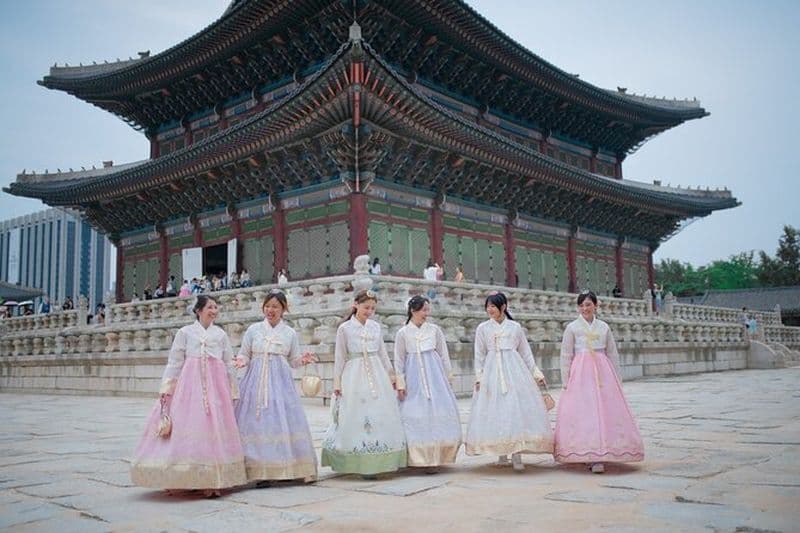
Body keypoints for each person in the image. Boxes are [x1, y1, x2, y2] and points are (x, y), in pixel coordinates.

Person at [130, 295, 246, 495]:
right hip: (189, 388)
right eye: (210, 307)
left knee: (214, 429)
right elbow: (175, 362)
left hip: (216, 388)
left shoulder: (220, 335)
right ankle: (181, 476)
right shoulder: (185, 333)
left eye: (216, 307)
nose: (214, 311)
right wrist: (167, 388)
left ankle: (213, 481)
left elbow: (228, 362)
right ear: (198, 310)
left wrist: (233, 387)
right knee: (189, 427)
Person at [233, 290, 318, 484]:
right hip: (255, 381)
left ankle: (288, 467)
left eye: (275, 306)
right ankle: (257, 469)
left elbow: (294, 360)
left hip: (280, 382)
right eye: (268, 306)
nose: (270, 310)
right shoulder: (253, 330)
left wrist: (303, 360)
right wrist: (240, 361)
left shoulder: (289, 333)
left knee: (282, 420)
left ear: (283, 309)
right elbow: (244, 354)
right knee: (256, 421)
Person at [554, 290, 644, 474]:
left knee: (604, 411)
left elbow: (612, 353)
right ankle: (587, 452)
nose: (585, 308)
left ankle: (605, 451)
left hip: (603, 374)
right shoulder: (572, 328)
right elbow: (565, 355)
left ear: (596, 305)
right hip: (580, 374)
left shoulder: (603, 327)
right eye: (581, 305)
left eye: (588, 304)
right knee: (586, 412)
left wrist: (617, 379)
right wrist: (566, 380)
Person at [321, 289, 407, 477]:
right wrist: (337, 382)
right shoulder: (344, 329)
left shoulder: (375, 327)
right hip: (353, 374)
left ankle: (378, 458)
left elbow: (383, 353)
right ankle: (355, 459)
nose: (369, 311)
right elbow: (340, 357)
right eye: (366, 307)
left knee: (378, 412)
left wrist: (392, 376)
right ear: (356, 305)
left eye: (372, 308)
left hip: (376, 373)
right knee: (355, 414)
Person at [465, 292, 553, 471]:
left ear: (503, 307)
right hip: (492, 372)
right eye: (487, 306)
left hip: (514, 371)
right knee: (496, 410)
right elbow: (479, 354)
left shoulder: (514, 327)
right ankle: (502, 452)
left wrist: (535, 372)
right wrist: (479, 376)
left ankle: (517, 453)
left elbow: (525, 352)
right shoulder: (483, 328)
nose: (489, 310)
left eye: (493, 306)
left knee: (515, 409)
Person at [394, 295, 461, 470]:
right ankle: (418, 457)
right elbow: (399, 360)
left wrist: (448, 376)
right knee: (413, 413)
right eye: (423, 310)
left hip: (435, 377)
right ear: (412, 310)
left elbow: (443, 354)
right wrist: (400, 383)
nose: (426, 313)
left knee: (438, 412)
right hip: (413, 377)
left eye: (427, 310)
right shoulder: (403, 333)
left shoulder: (434, 330)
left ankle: (437, 456)